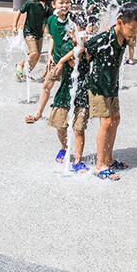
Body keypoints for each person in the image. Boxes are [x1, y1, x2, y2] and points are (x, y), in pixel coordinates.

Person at [85, 1, 137, 180]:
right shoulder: (106, 38)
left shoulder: (123, 38)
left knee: (115, 119)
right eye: (132, 29)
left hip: (112, 86)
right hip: (98, 86)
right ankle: (99, 165)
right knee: (106, 122)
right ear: (119, 22)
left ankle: (108, 159)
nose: (134, 34)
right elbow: (86, 49)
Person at [47, 15, 89, 173]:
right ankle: (64, 147)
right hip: (66, 92)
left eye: (86, 31)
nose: (83, 35)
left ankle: (78, 160)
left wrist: (61, 61)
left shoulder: (88, 47)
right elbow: (74, 58)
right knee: (60, 126)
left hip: (82, 93)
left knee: (79, 129)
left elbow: (86, 54)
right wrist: (62, 60)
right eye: (79, 32)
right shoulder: (65, 47)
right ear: (71, 32)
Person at [26, 0, 73, 123]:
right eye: (61, 2)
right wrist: (50, 54)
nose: (64, 5)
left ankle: (69, 114)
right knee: (47, 85)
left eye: (67, 2)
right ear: (53, 5)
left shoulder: (72, 20)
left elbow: (77, 44)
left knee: (69, 88)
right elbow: (52, 37)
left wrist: (65, 60)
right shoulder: (51, 20)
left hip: (69, 61)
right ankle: (38, 113)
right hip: (56, 59)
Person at [12, 0, 51, 80]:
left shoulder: (47, 4)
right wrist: (14, 26)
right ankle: (20, 65)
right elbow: (19, 12)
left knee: (37, 57)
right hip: (29, 32)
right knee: (34, 53)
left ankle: (25, 74)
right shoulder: (30, 2)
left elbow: (49, 19)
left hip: (39, 33)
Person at [115, 0, 137, 64]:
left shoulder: (118, 2)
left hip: (122, 26)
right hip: (131, 26)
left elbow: (115, 13)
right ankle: (131, 59)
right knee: (131, 44)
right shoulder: (134, 1)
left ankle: (119, 59)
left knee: (120, 43)